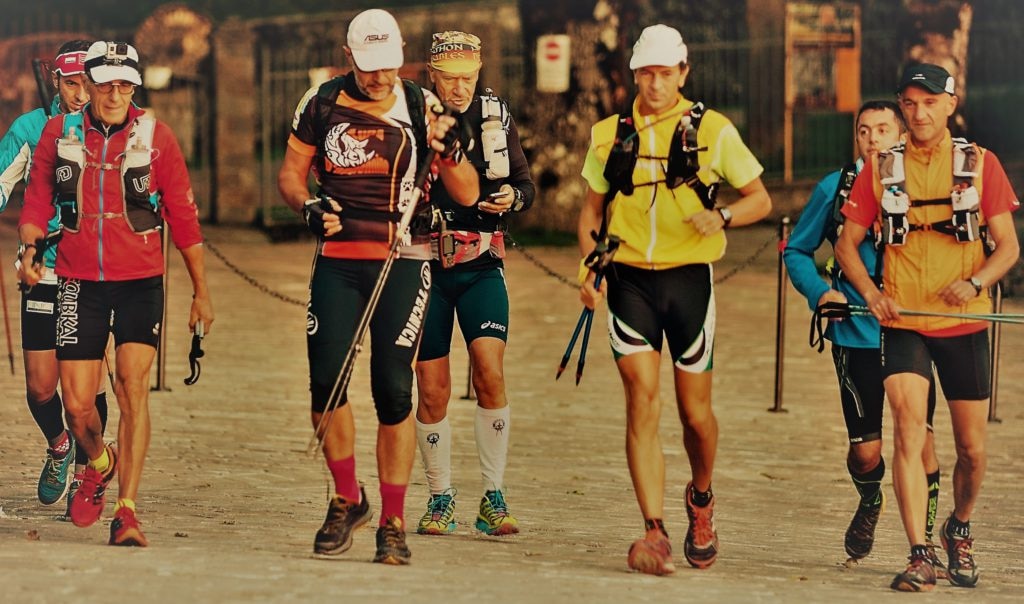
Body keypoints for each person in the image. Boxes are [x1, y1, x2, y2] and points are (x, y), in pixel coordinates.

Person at [277, 9, 479, 565]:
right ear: (349, 58)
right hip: (339, 260)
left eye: (388, 65)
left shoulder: (421, 106)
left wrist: (451, 150)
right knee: (325, 385)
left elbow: (466, 192)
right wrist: (307, 205)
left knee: (393, 391)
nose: (379, 77)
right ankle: (348, 497)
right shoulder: (320, 103)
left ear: (401, 55)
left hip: (404, 258)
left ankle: (393, 520)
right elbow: (291, 175)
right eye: (368, 67)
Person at [577, 24, 771, 575]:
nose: (656, 84)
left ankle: (701, 497)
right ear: (633, 75)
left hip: (689, 281)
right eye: (646, 73)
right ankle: (654, 531)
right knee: (641, 400)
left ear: (683, 73)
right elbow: (591, 212)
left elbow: (759, 199)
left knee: (695, 414)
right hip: (630, 281)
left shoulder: (713, 130)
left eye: (665, 73)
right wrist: (589, 267)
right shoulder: (607, 134)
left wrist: (722, 215)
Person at [18, 40, 214, 547]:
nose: (113, 95)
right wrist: (32, 247)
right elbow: (37, 199)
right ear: (89, 83)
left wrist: (201, 291)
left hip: (139, 283)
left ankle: (127, 511)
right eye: (105, 84)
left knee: (131, 386)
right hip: (78, 280)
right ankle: (100, 463)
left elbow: (184, 217)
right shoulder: (59, 134)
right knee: (77, 406)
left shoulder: (156, 137)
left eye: (124, 85)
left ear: (134, 87)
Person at [836, 63, 1019, 592]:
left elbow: (1009, 247)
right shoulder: (881, 168)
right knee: (908, 429)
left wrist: (976, 281)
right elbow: (846, 244)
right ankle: (919, 553)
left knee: (972, 451)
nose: (919, 113)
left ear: (950, 104)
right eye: (910, 103)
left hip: (964, 321)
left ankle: (958, 526)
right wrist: (872, 296)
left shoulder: (979, 164)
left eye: (930, 102)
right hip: (904, 322)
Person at [784, 101, 948, 570]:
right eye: (863, 131)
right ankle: (871, 497)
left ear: (902, 136)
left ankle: (926, 545)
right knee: (865, 452)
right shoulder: (834, 188)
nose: (873, 139)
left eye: (883, 130)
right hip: (855, 331)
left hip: (912, 331)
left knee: (919, 439)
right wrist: (820, 292)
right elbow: (796, 250)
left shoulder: (925, 185)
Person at [413, 30, 534, 537]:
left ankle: (493, 496)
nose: (459, 88)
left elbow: (526, 185)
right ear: (431, 75)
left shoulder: (493, 115)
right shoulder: (415, 115)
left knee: (490, 372)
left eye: (468, 78)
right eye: (449, 79)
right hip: (425, 265)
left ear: (479, 73)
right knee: (432, 388)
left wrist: (513, 199)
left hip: (482, 263)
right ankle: (439, 497)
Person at [1, 40, 114, 518]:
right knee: (41, 388)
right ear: (57, 80)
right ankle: (59, 446)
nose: (81, 94)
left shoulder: (113, 129)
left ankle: (89, 475)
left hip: (94, 272)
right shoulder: (30, 128)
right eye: (72, 84)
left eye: (89, 83)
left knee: (86, 388)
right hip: (42, 267)